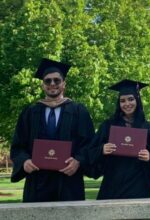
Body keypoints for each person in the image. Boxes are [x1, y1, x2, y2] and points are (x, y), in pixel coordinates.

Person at [10, 58, 95, 202]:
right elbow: (18, 146)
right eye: (48, 81)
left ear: (64, 84)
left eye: (57, 80)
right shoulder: (30, 112)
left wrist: (78, 161)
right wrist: (24, 162)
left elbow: (90, 144)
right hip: (37, 182)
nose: (52, 84)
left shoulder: (79, 111)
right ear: (43, 85)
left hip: (69, 181)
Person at [88, 79, 150, 199]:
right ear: (118, 104)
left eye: (131, 99)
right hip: (112, 184)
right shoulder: (108, 126)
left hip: (139, 185)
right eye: (122, 101)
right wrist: (102, 149)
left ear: (138, 100)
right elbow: (90, 151)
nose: (127, 104)